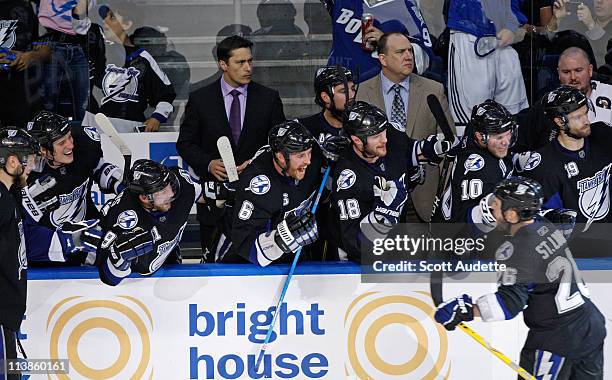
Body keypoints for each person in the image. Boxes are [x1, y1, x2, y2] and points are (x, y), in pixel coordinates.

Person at [435, 176, 606, 379]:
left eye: (496, 205)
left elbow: (509, 304)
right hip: (590, 325)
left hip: (555, 339)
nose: (492, 210)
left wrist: (466, 310)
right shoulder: (544, 225)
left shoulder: (516, 249)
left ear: (513, 215)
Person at [177, 35, 285, 259]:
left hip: (259, 200)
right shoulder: (200, 99)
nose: (248, 68)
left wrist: (256, 162)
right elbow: (185, 143)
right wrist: (208, 164)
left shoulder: (268, 98)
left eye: (250, 61)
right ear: (223, 65)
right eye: (240, 62)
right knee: (214, 266)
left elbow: (279, 143)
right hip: (215, 203)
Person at [330, 101, 456, 263]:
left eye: (384, 132)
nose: (385, 139)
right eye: (376, 136)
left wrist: (432, 148)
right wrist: (383, 215)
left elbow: (409, 150)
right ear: (357, 140)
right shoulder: (348, 179)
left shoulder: (390, 136)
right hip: (359, 262)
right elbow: (355, 245)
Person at [357, 32, 456, 222]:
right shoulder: (362, 91)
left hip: (423, 196)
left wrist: (441, 191)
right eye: (400, 52)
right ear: (383, 59)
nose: (409, 56)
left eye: (410, 51)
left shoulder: (433, 89)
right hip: (378, 196)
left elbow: (448, 141)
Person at [515, 86, 612, 258]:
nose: (586, 121)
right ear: (560, 122)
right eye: (578, 117)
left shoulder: (603, 136)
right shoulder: (544, 165)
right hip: (579, 254)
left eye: (586, 113)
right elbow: (541, 223)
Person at [22, 110, 124, 264]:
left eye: (69, 137)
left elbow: (97, 168)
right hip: (51, 248)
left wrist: (119, 183)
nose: (70, 145)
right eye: (61, 143)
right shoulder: (25, 174)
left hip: (88, 233)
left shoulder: (83, 144)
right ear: (43, 149)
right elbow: (25, 233)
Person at [219, 120, 322, 266]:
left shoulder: (295, 158)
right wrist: (283, 239)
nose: (308, 161)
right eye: (301, 156)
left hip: (289, 257)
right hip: (242, 263)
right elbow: (246, 246)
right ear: (280, 157)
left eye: (309, 153)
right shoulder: (260, 187)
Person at [97, 159, 202, 286]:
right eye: (163, 191)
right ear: (145, 198)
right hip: (136, 285)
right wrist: (118, 257)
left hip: (169, 259)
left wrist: (224, 192)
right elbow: (109, 278)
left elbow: (202, 195)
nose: (171, 193)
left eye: (169, 185)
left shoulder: (181, 183)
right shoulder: (123, 219)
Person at [82, 4, 176, 133]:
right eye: (104, 17)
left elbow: (166, 94)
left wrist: (157, 117)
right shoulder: (94, 52)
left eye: (112, 18)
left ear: (127, 25)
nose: (105, 22)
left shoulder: (142, 58)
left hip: (129, 131)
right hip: (93, 129)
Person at [0, 127, 43, 380]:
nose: (31, 167)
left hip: (6, 317)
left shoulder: (8, 196)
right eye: (29, 160)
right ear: (12, 160)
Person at [446, 0, 529, 128]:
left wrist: (512, 23)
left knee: (510, 118)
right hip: (470, 33)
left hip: (504, 37)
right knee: (470, 119)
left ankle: (508, 147)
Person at [516, 46, 612, 151]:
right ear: (558, 74)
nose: (573, 77)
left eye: (578, 70)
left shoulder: (609, 93)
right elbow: (522, 145)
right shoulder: (546, 105)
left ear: (590, 70)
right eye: (566, 72)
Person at [436, 100, 516, 224]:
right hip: (460, 236)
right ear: (480, 137)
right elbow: (485, 220)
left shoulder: (474, 132)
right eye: (499, 137)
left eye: (508, 134)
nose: (505, 142)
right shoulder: (483, 171)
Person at [321, 0, 434, 82]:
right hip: (340, 87)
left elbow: (425, 59)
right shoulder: (342, 2)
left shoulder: (404, 5)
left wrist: (387, 41)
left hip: (383, 91)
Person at [37, 0, 93, 120]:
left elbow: (80, 18)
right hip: (51, 44)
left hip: (78, 45)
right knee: (48, 101)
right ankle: (47, 135)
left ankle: (84, 135)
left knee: (83, 102)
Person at [0, 0, 51, 128]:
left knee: (26, 142)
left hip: (23, 93)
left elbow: (46, 49)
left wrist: (30, 56)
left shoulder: (29, 7)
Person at [547, 0, 612, 67]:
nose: (599, 1)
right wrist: (556, 19)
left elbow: (604, 51)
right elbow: (548, 41)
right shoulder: (581, 22)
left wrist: (591, 25)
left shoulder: (588, 21)